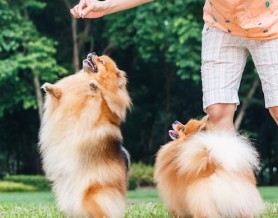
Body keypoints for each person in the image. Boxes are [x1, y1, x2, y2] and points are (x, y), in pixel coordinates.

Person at [70, 0, 278, 131]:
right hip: (221, 26)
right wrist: (104, 6)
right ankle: (236, 192)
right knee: (217, 111)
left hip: (273, 27)